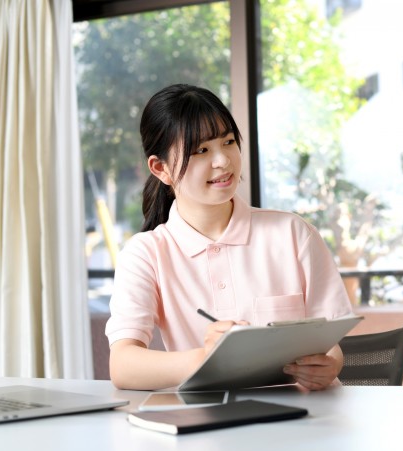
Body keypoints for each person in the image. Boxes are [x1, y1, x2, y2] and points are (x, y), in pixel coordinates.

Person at [106, 83, 352, 390]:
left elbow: (330, 344)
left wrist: (329, 366)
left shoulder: (293, 233)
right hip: (208, 425)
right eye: (201, 150)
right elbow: (123, 365)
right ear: (161, 168)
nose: (223, 161)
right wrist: (208, 359)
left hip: (309, 421)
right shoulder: (147, 253)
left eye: (229, 142)